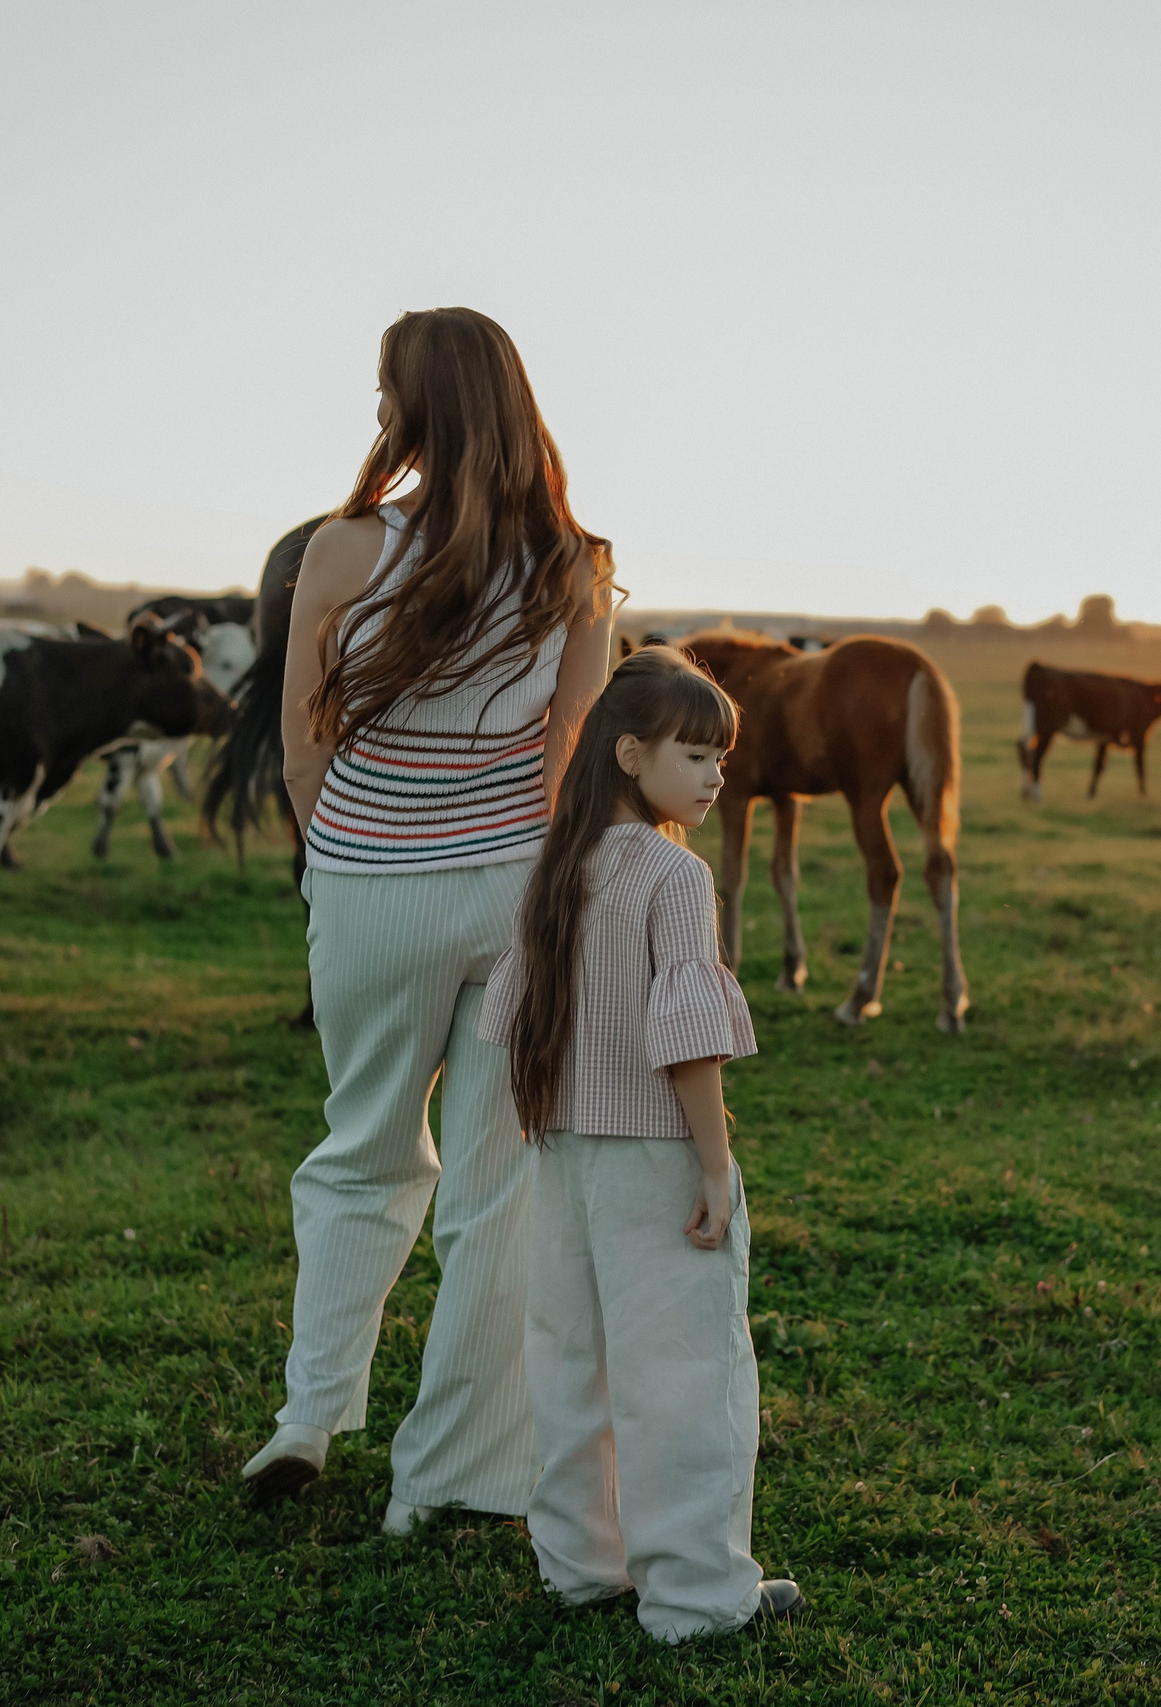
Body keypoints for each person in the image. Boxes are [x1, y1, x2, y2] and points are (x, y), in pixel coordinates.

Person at [244, 308, 615, 1526]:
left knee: (359, 1149)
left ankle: (308, 1418)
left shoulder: (343, 551)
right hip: (514, 887)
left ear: (410, 410)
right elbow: (571, 756)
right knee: (498, 1187)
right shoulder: (576, 563)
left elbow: (305, 744)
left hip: (366, 884)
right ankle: (450, 1478)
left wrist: (331, 864)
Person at [479, 646, 802, 1641]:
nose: (715, 776)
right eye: (694, 755)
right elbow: (689, 1040)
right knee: (686, 1372)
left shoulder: (557, 863)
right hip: (653, 1154)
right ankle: (698, 1600)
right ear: (628, 754)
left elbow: (512, 1016)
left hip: (564, 1148)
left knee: (572, 1357)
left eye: (720, 757)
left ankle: (580, 1563)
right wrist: (714, 1163)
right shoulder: (672, 874)